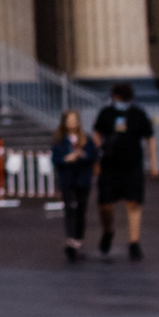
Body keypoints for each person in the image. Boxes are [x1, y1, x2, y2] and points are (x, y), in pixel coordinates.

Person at [92, 80, 157, 259]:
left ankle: (134, 242)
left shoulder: (138, 113)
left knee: (134, 203)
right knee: (105, 204)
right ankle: (108, 231)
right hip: (109, 165)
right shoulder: (106, 113)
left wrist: (154, 164)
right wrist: (100, 151)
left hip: (132, 165)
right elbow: (96, 133)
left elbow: (150, 137)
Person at [54, 107, 96, 262]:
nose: (71, 123)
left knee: (81, 211)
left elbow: (93, 155)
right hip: (68, 180)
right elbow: (56, 159)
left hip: (82, 180)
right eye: (69, 120)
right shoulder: (59, 140)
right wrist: (66, 159)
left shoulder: (85, 138)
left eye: (74, 120)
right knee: (70, 209)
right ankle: (71, 239)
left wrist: (82, 155)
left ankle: (78, 238)